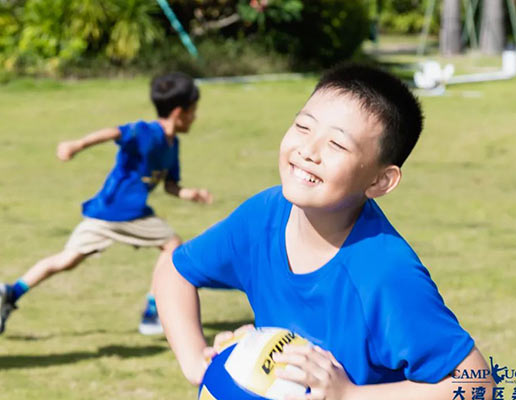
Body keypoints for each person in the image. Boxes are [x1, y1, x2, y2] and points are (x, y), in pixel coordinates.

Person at [154, 64, 495, 398]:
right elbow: (175, 269)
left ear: (379, 181)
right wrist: (199, 362)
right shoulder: (263, 216)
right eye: (303, 127)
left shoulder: (384, 273)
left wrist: (347, 395)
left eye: (337, 145)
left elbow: (476, 384)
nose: (308, 151)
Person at [0, 72, 212, 337]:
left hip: (105, 213)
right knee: (172, 245)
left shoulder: (172, 144)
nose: (195, 117)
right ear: (179, 112)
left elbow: (170, 185)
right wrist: (77, 144)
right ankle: (153, 309)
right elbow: (115, 132)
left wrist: (189, 193)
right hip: (122, 212)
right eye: (193, 111)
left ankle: (11, 292)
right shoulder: (147, 132)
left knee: (68, 259)